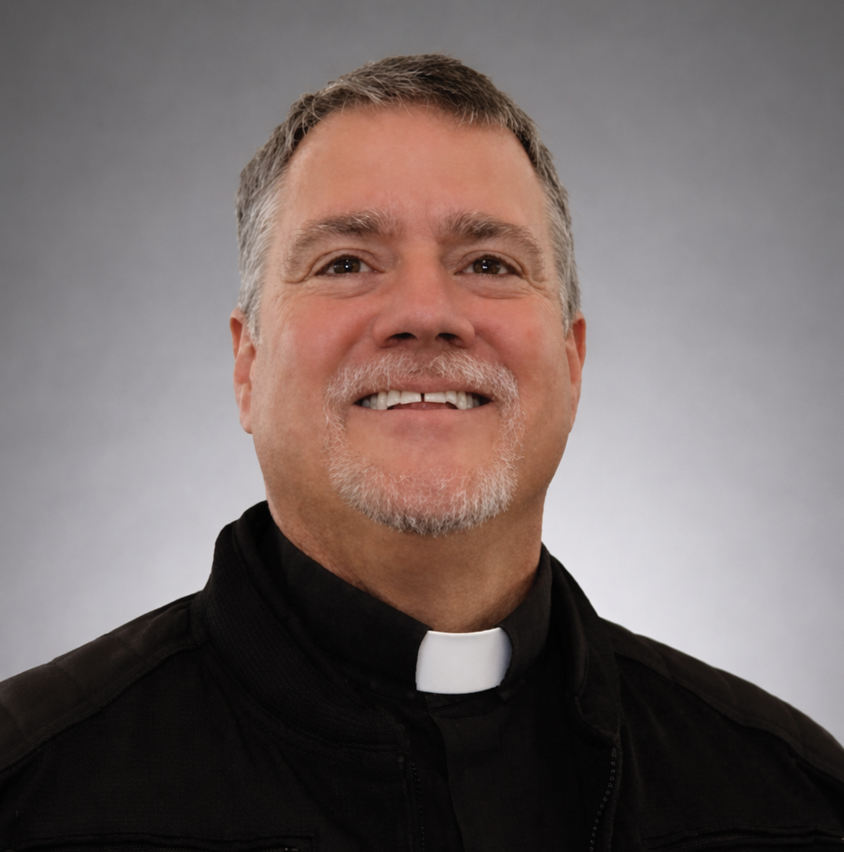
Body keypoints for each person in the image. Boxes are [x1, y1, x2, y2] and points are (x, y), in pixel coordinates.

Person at [1, 54, 842, 850]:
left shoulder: (789, 799)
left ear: (573, 362)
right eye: (345, 262)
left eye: (488, 261)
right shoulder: (30, 787)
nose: (425, 310)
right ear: (247, 366)